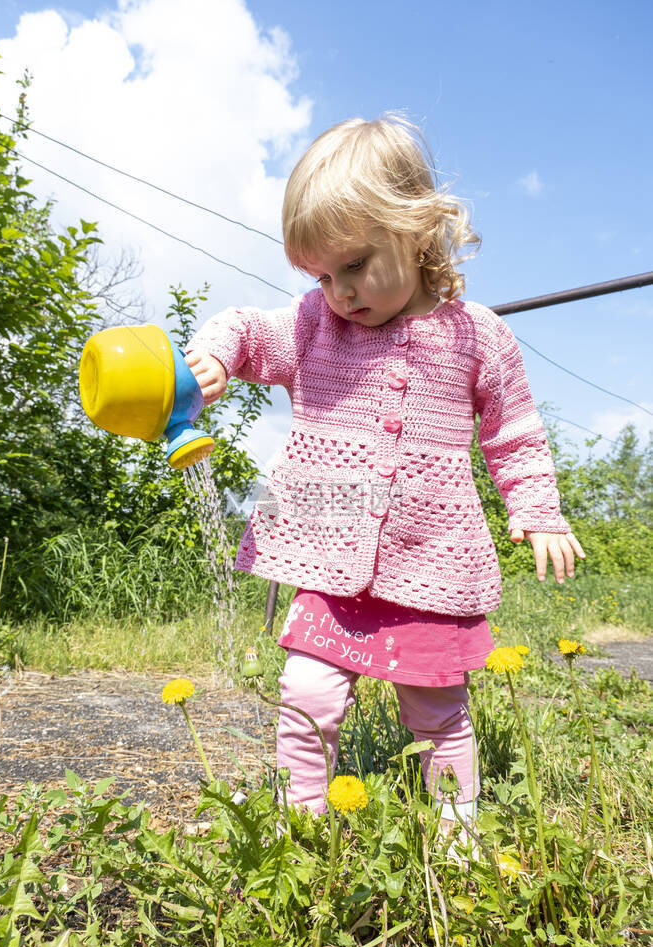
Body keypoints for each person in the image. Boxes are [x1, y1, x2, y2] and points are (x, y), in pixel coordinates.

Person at [185, 115, 585, 828]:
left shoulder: (478, 336)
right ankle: (298, 824)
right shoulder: (314, 325)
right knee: (307, 692)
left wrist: (540, 509)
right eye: (321, 274)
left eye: (356, 264)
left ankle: (457, 835)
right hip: (329, 556)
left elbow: (514, 433)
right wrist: (214, 353)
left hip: (431, 562)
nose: (339, 290)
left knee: (436, 711)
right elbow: (248, 329)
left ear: (416, 229)